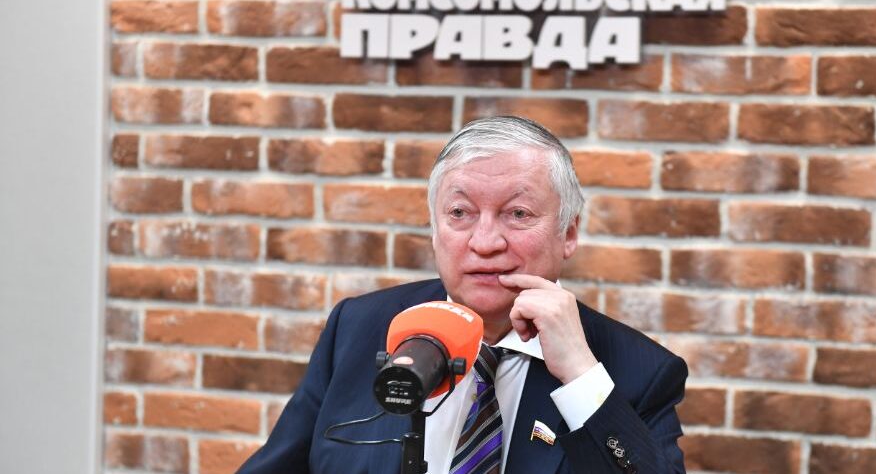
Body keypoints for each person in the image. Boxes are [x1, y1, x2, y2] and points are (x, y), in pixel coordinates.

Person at [237, 116, 688, 474]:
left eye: (518, 213)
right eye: (460, 212)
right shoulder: (360, 327)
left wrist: (580, 375)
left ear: (568, 234)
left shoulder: (636, 371)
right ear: (434, 230)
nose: (485, 242)